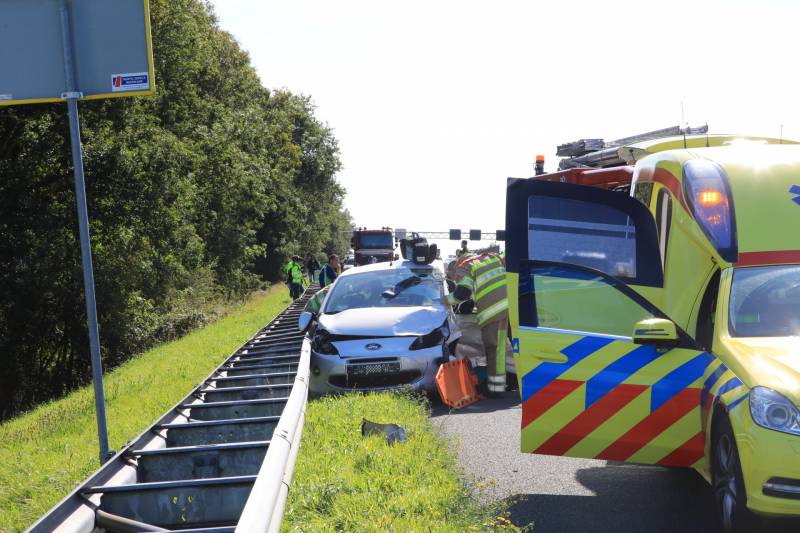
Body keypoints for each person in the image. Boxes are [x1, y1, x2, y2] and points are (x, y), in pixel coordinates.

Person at [443, 252, 508, 396]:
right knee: (500, 349)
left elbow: (462, 293)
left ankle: (496, 389)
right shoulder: (490, 258)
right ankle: (499, 386)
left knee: (494, 349)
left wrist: (444, 301)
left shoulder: (465, 266)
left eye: (456, 278)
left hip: (493, 311)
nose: (457, 280)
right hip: (508, 307)